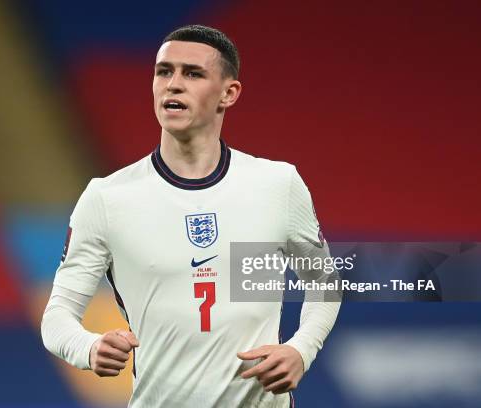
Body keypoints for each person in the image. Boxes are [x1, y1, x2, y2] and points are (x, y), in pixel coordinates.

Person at [42, 24, 340, 408]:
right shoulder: (107, 197)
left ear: (228, 93)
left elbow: (324, 283)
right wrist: (89, 347)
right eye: (163, 71)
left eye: (193, 73)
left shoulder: (278, 184)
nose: (173, 84)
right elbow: (57, 316)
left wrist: (301, 349)